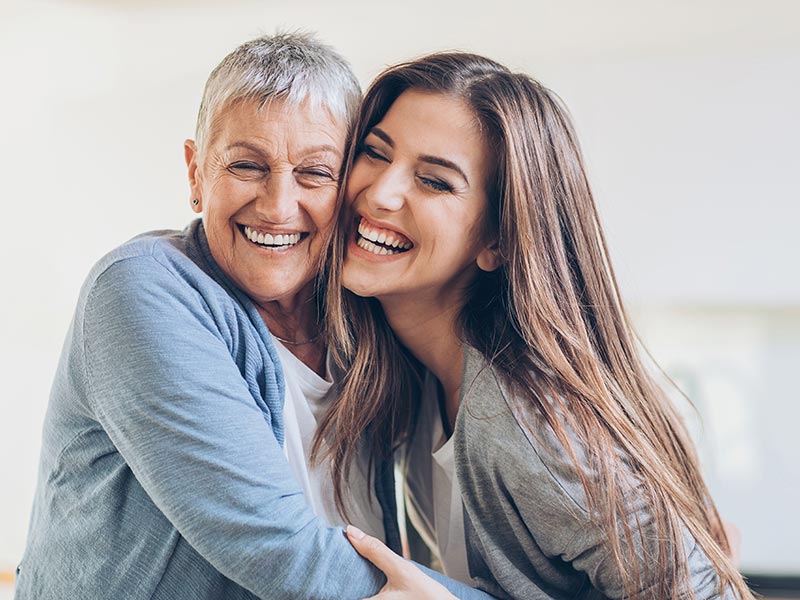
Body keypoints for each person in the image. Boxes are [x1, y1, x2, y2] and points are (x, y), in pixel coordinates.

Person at [14, 34, 490, 600]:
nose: (277, 205)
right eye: (246, 165)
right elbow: (280, 549)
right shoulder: (142, 289)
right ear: (196, 173)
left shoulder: (364, 323)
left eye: (315, 173)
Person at [319, 52, 754, 599]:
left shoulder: (527, 422)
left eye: (434, 181)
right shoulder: (414, 380)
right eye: (374, 153)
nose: (380, 193)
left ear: (497, 240)